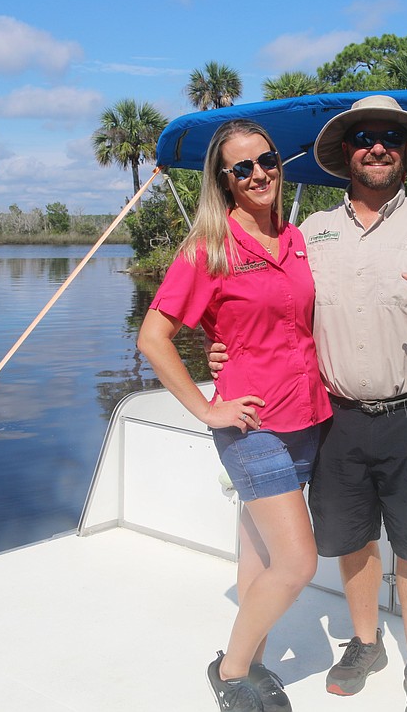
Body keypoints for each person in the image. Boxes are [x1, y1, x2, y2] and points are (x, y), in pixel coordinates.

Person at [211, 95, 407, 712]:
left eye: (390, 137)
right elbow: (274, 312)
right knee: (351, 539)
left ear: (404, 153)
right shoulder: (310, 232)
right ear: (347, 152)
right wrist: (222, 352)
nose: (377, 146)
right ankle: (365, 643)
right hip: (333, 417)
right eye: (365, 136)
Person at [137, 118, 331, 712]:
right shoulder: (209, 248)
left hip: (309, 416)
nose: (258, 175)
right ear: (223, 181)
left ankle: (255, 667)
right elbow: (153, 336)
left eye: (266, 160)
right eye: (241, 168)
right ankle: (231, 670)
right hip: (251, 425)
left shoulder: (297, 241)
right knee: (299, 561)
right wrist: (206, 408)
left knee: (261, 558)